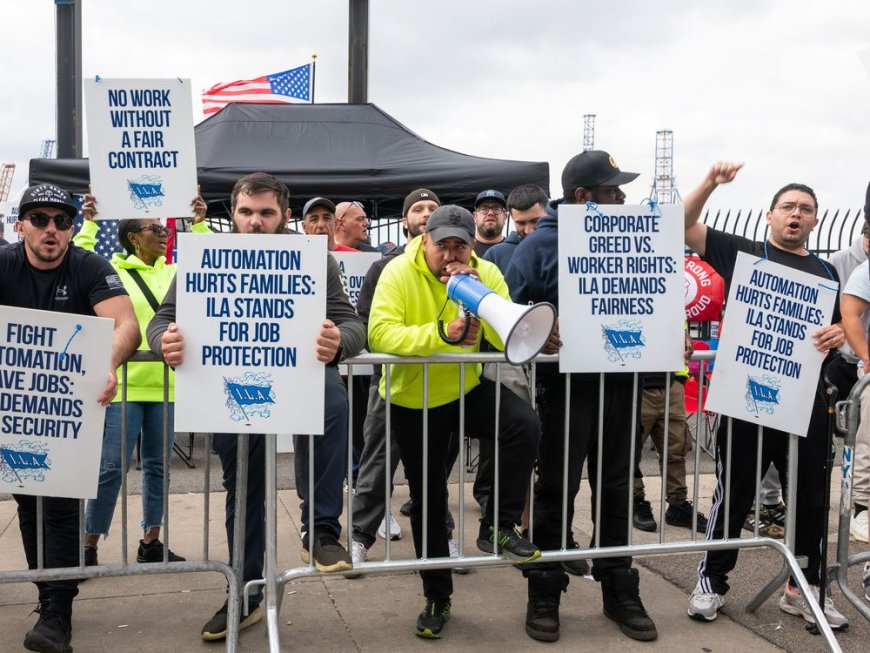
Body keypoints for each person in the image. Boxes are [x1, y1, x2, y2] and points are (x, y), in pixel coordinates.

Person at [146, 172, 365, 641]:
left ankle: (322, 529)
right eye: (246, 212)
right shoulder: (205, 257)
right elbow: (164, 319)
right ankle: (244, 591)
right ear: (233, 214)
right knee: (244, 487)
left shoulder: (313, 258)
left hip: (298, 376)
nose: (256, 221)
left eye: (266, 212)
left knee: (333, 401)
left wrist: (338, 342)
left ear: (284, 215)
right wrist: (163, 341)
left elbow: (351, 323)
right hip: (228, 387)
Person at [683, 162, 849, 630]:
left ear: (815, 221)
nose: (796, 214)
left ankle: (804, 589)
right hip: (746, 400)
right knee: (733, 494)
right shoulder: (742, 253)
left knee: (812, 498)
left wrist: (839, 331)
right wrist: (710, 183)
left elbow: (842, 328)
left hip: (806, 403)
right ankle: (712, 583)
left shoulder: (825, 273)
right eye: (788, 207)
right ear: (770, 215)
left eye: (806, 209)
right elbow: (683, 226)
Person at [368, 204, 542, 639]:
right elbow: (380, 333)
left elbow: (510, 334)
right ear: (424, 241)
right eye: (440, 245)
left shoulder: (484, 270)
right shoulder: (397, 272)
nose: (449, 255)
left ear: (471, 246)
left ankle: (497, 526)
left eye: (458, 246)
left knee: (523, 424)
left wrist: (487, 300)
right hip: (414, 398)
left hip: (463, 389)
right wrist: (441, 335)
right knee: (428, 500)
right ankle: (437, 595)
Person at [506, 149, 658, 643]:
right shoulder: (539, 247)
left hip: (621, 382)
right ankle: (544, 590)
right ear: (582, 196)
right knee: (556, 489)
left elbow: (653, 296)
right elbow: (510, 314)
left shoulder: (636, 238)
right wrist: (539, 329)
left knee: (616, 487)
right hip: (566, 387)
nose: (621, 198)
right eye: (612, 190)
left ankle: (619, 588)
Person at [1, 183, 140, 653]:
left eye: (62, 220)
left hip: (68, 410)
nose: (52, 229)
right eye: (39, 219)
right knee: (28, 504)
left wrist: (109, 362)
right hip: (15, 408)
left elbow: (127, 325)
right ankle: (50, 592)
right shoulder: (3, 264)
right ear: (21, 225)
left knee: (59, 508)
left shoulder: (89, 266)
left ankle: (57, 611)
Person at [75, 195, 210, 567]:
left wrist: (198, 222)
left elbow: (206, 263)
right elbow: (77, 261)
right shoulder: (110, 271)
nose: (165, 233)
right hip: (124, 386)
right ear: (133, 237)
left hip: (165, 386)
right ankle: (88, 545)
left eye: (166, 228)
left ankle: (151, 541)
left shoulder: (172, 272)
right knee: (111, 466)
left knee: (158, 466)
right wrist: (88, 223)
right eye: (155, 228)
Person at [350, 189, 449, 561]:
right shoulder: (383, 268)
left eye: (433, 209)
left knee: (435, 470)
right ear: (406, 220)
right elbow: (366, 324)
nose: (425, 213)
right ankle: (360, 536)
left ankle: (444, 534)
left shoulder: (458, 267)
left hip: (443, 387)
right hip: (391, 385)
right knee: (377, 463)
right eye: (418, 209)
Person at [632, 345, 709, 534]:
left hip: (671, 382)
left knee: (676, 449)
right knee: (629, 450)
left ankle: (677, 505)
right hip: (634, 382)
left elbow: (680, 329)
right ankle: (634, 502)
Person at [839, 255, 870, 544]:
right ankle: (862, 507)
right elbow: (849, 312)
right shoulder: (866, 271)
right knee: (868, 439)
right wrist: (866, 356)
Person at [483, 183, 548, 273]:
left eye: (535, 221)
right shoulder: (495, 255)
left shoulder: (563, 248)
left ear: (548, 213)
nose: (528, 231)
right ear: (511, 218)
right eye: (521, 223)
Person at [472, 189, 508, 257]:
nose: (490, 213)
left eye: (496, 208)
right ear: (475, 216)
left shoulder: (515, 249)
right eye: (484, 208)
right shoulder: (466, 249)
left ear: (505, 216)